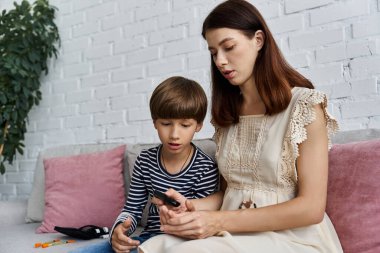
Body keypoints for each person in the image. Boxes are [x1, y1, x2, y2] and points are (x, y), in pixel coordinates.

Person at [138, 0, 343, 253]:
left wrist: (216, 221)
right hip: (234, 233)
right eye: (214, 53)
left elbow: (311, 208)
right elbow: (231, 194)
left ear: (258, 40)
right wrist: (192, 208)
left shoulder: (305, 106)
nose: (221, 61)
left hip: (292, 238)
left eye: (229, 47)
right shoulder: (227, 116)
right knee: (155, 245)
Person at [68, 76, 219, 253]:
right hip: (147, 240)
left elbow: (201, 220)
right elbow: (132, 209)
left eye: (185, 125)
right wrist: (119, 230)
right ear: (155, 122)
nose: (174, 134)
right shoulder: (145, 161)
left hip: (185, 244)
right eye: (166, 123)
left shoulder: (205, 167)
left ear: (198, 126)